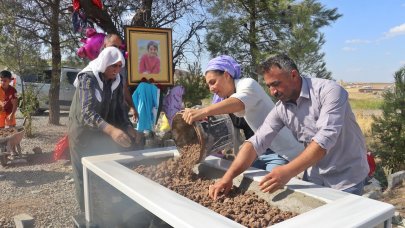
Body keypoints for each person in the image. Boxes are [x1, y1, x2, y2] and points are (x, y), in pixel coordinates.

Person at [208, 54, 369, 200]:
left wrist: (287, 171)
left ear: (293, 75)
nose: (272, 92)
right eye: (269, 86)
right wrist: (227, 177)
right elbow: (256, 142)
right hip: (314, 174)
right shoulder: (282, 108)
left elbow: (324, 139)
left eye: (276, 84)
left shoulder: (329, 91)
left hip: (346, 176)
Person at [182, 55, 303, 171]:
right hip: (257, 152)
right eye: (208, 84)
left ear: (226, 75)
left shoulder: (248, 84)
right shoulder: (223, 101)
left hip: (280, 152)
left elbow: (238, 102)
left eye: (213, 82)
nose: (211, 88)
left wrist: (203, 111)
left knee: (267, 185)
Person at [68, 47, 140, 211]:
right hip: (81, 133)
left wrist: (128, 127)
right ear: (104, 63)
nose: (116, 70)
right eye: (113, 66)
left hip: (101, 131)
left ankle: (104, 210)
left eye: (119, 66)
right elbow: (87, 113)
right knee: (83, 174)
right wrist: (112, 130)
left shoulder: (117, 80)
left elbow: (119, 109)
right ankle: (87, 214)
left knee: (103, 169)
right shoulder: (88, 78)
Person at [103, 34, 139, 123]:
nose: (117, 50)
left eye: (119, 47)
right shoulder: (94, 67)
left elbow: (123, 86)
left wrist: (132, 106)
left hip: (115, 113)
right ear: (104, 46)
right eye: (114, 46)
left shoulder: (120, 65)